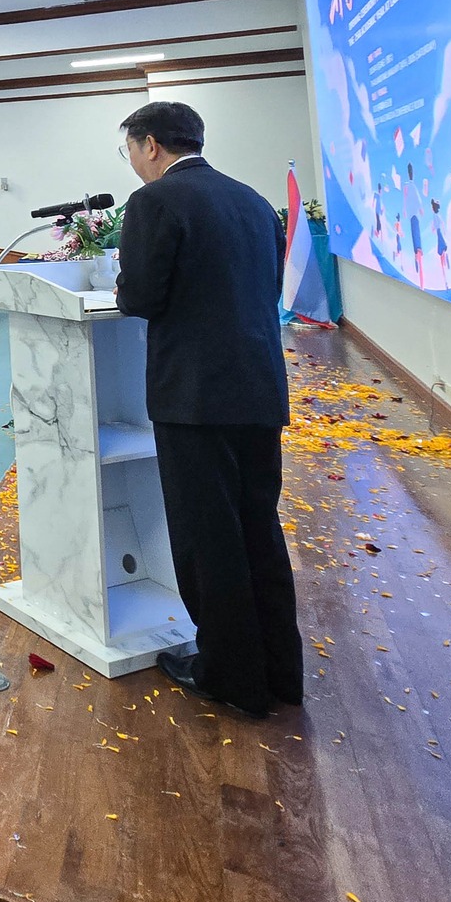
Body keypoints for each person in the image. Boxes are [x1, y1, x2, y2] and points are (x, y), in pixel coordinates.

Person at [113, 100, 299, 717]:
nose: (133, 162)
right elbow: (268, 288)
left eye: (130, 149)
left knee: (207, 536)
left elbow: (141, 297)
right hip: (258, 386)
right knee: (258, 527)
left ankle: (230, 675)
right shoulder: (254, 201)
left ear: (151, 145)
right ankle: (280, 670)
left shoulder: (154, 202)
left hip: (195, 395)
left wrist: (124, 282)